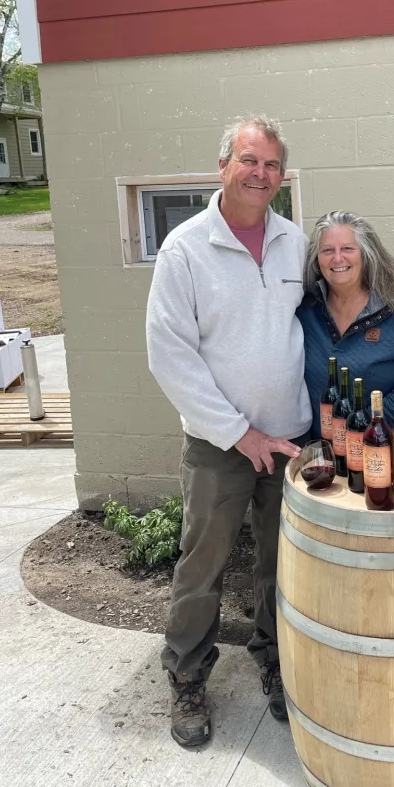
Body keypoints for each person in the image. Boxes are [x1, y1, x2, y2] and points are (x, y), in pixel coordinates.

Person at [146, 115, 311, 749]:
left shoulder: (296, 243)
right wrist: (240, 434)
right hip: (220, 448)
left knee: (280, 565)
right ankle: (187, 674)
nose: (260, 174)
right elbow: (170, 355)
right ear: (223, 166)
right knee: (202, 566)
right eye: (249, 161)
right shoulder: (186, 249)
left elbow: (319, 327)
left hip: (290, 440)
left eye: (271, 166)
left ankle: (272, 659)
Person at [298, 211, 394, 433]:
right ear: (317, 258)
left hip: (378, 447)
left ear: (365, 254)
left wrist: (368, 423)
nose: (337, 258)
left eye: (347, 249)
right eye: (327, 250)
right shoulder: (304, 310)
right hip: (319, 453)